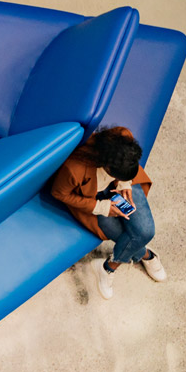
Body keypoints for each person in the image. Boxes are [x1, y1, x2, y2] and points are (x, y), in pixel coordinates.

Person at [50, 125, 166, 300]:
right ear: (108, 166)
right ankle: (146, 254)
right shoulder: (75, 169)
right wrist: (101, 207)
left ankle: (108, 267)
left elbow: (129, 170)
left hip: (119, 188)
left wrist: (125, 184)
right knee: (126, 237)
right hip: (93, 198)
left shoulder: (123, 137)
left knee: (146, 231)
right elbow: (59, 193)